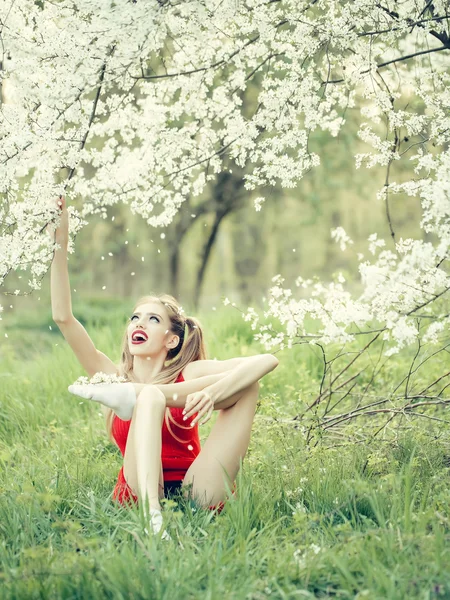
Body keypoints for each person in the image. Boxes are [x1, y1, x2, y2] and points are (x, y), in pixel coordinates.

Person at [48, 195, 280, 540]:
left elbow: (266, 361)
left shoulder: (191, 373)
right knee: (150, 399)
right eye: (134, 318)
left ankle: (147, 396)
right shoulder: (112, 377)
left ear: (171, 340)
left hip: (194, 485)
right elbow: (63, 318)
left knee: (245, 384)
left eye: (152, 319)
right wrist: (60, 244)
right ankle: (153, 518)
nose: (138, 324)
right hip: (142, 489)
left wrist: (214, 391)